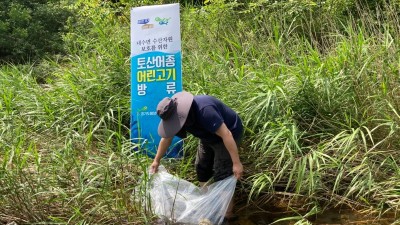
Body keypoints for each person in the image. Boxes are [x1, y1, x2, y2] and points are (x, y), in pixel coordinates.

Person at [150, 91, 243, 222]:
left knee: (223, 174)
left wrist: (236, 163)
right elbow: (166, 138)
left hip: (228, 135)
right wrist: (156, 160)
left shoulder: (204, 110)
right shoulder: (178, 117)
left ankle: (227, 213)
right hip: (207, 137)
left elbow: (226, 134)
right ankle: (208, 203)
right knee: (201, 167)